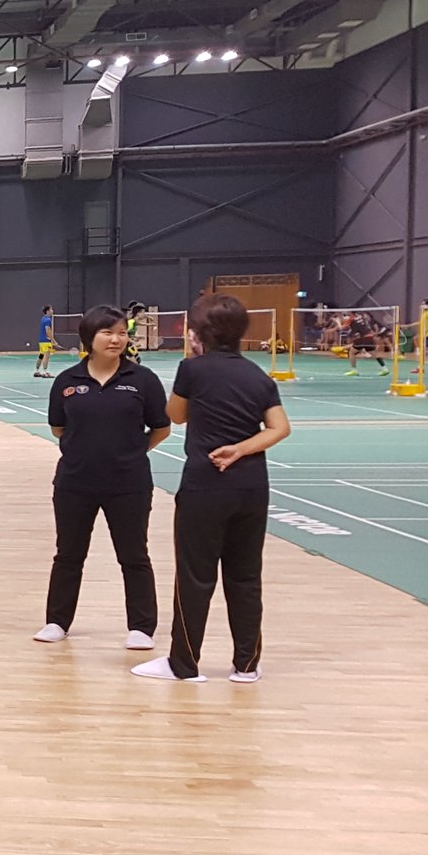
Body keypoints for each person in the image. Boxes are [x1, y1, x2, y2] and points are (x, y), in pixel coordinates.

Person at [133, 292, 292, 684]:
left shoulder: (193, 369)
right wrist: (241, 449)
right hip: (252, 488)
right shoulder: (258, 375)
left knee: (195, 576)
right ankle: (246, 665)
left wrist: (191, 361)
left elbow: (175, 415)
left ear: (198, 333)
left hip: (205, 486)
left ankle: (184, 665)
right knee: (245, 576)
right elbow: (279, 428)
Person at [33, 306, 171, 651]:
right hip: (75, 483)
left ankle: (141, 627)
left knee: (134, 555)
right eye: (108, 332)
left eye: (122, 333)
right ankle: (57, 621)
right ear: (89, 338)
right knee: (68, 554)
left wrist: (131, 452)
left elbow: (161, 427)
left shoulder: (143, 380)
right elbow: (58, 428)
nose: (116, 339)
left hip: (129, 484)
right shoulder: (67, 381)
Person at [34, 305, 55, 377]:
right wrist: (52, 340)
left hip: (41, 341)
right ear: (47, 311)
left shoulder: (43, 318)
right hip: (46, 341)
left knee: (41, 356)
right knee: (46, 356)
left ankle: (36, 371)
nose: (52, 311)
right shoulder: (48, 320)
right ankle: (45, 372)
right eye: (51, 309)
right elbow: (48, 330)